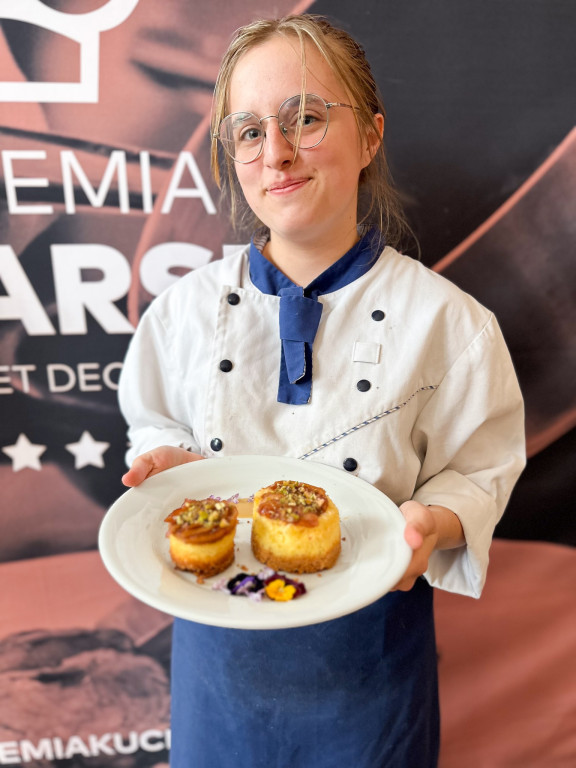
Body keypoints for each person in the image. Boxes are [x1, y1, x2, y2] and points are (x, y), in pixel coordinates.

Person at [118, 14, 525, 768]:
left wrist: (434, 522)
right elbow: (152, 425)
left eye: (305, 118)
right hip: (218, 671)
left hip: (368, 677)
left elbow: (480, 468)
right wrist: (165, 461)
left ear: (370, 136)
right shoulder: (181, 313)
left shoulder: (450, 323)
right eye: (247, 131)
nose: (274, 152)